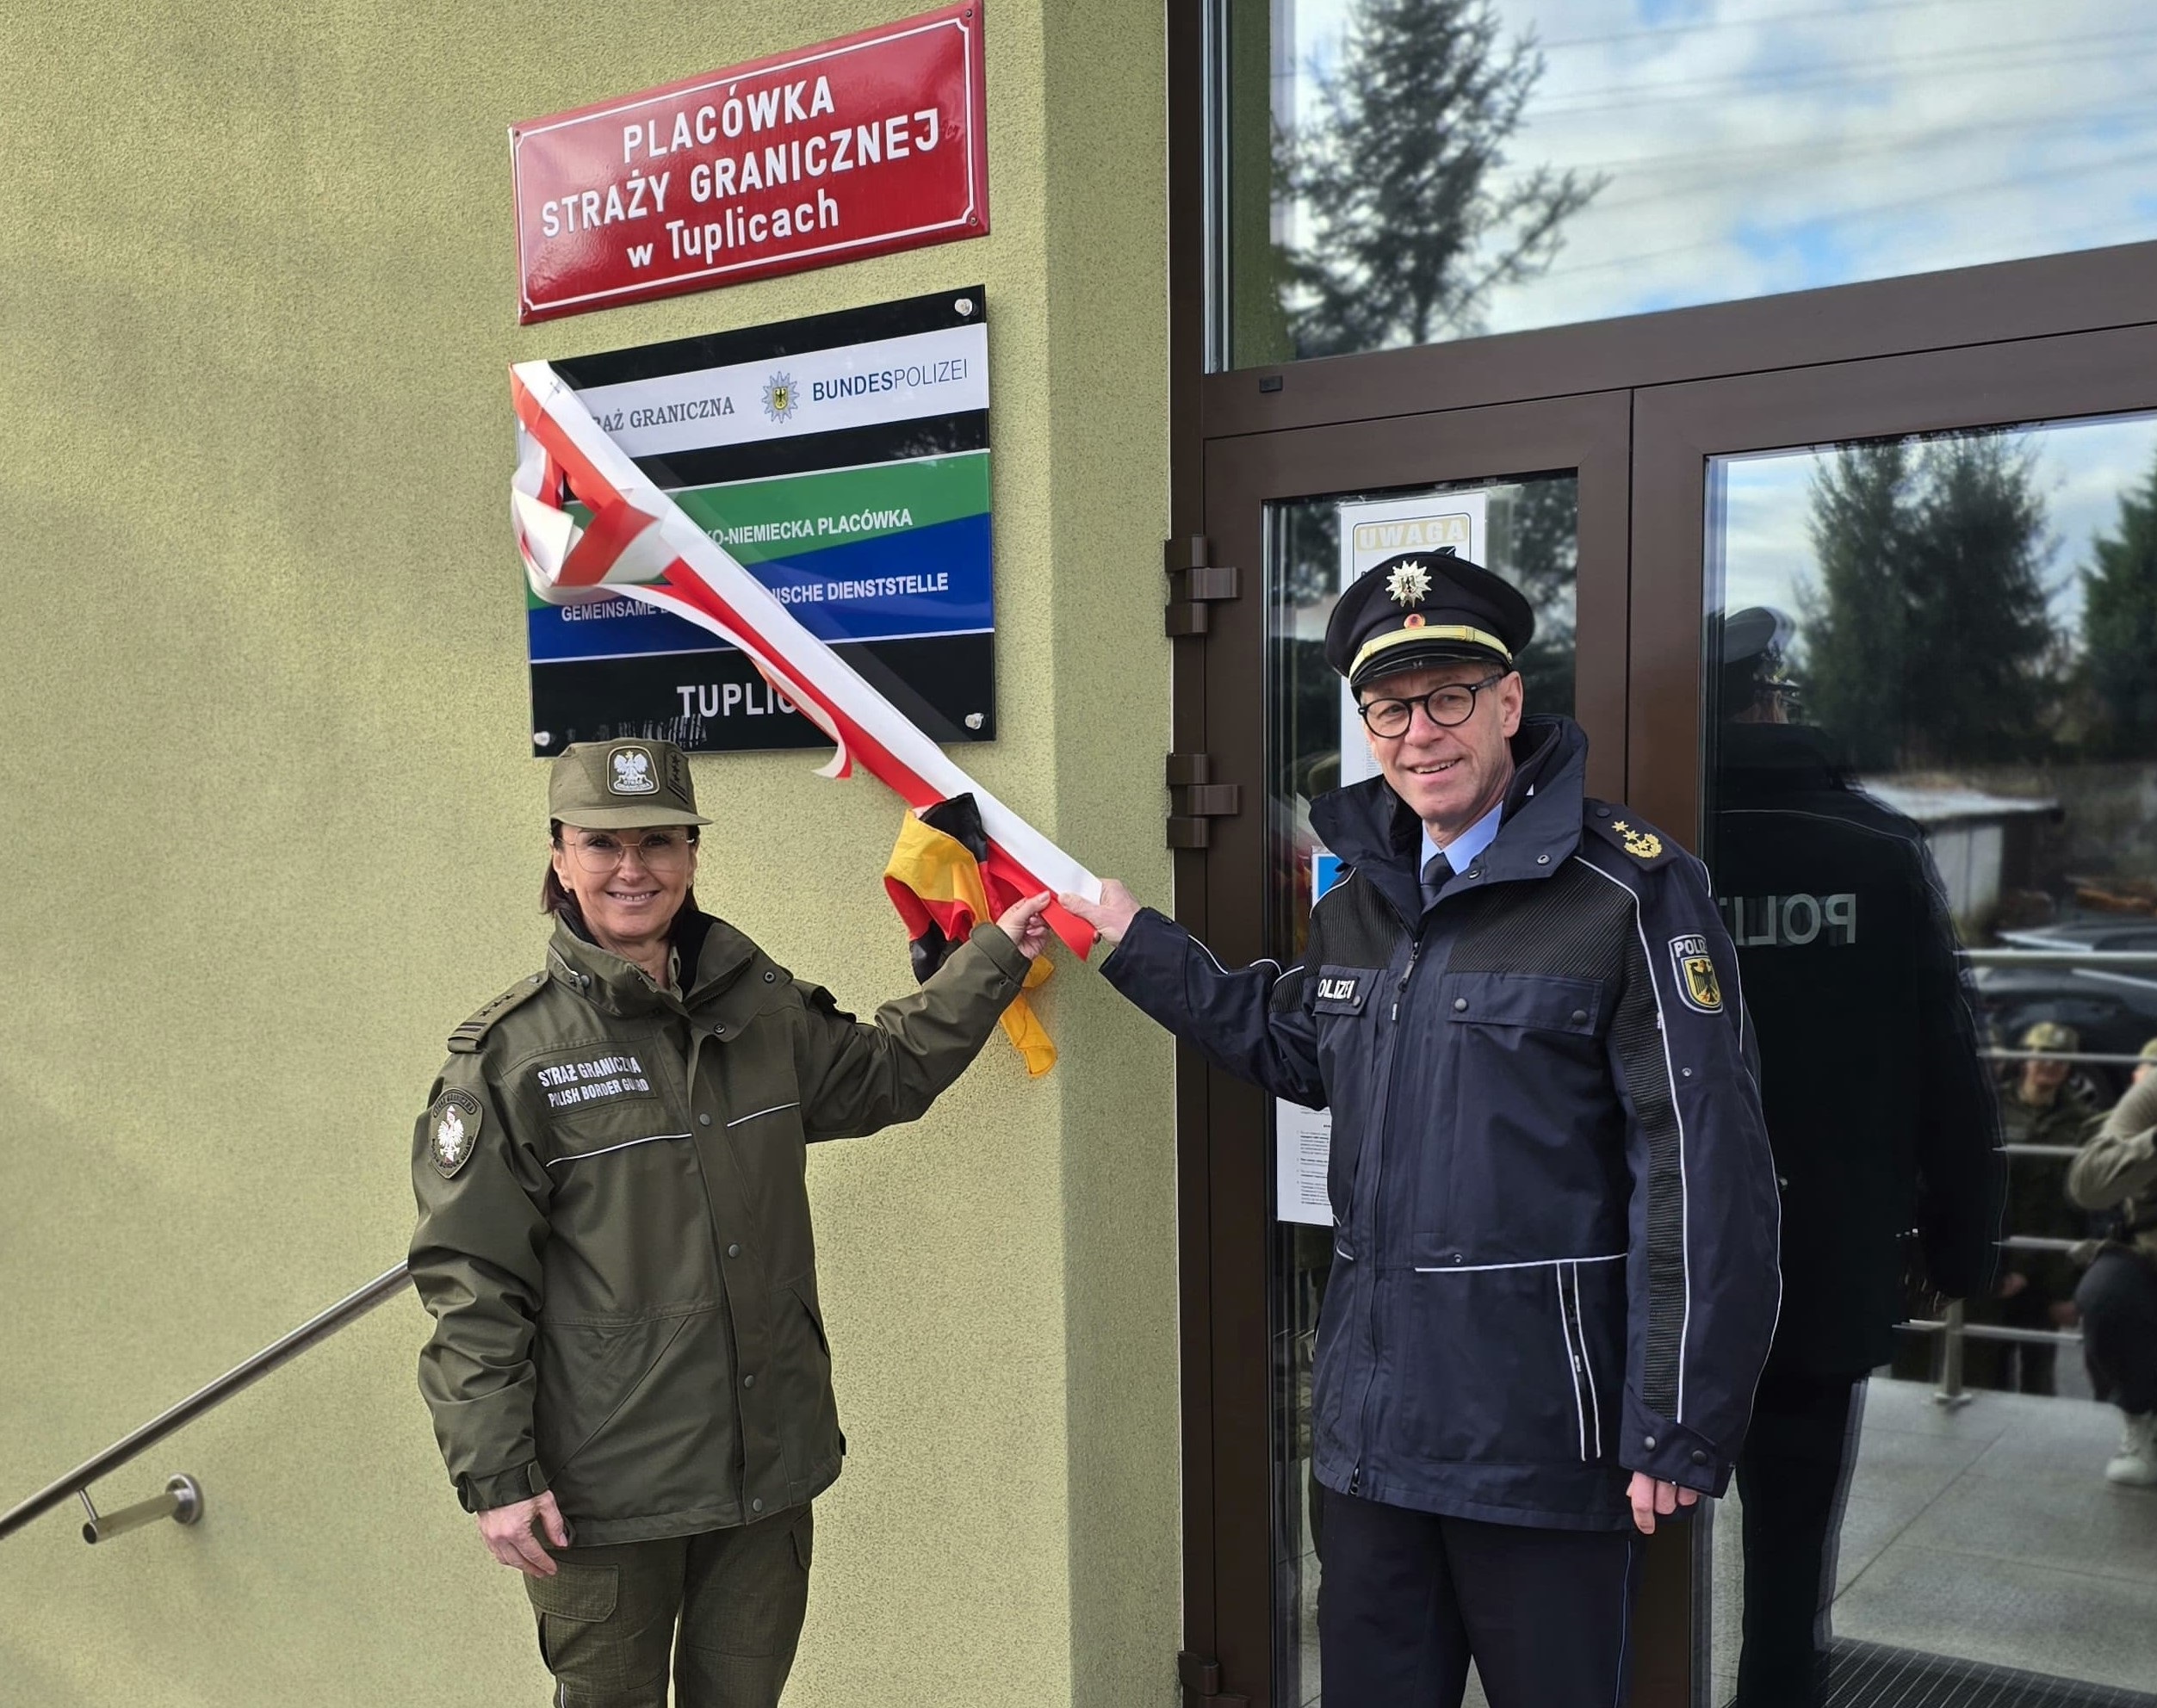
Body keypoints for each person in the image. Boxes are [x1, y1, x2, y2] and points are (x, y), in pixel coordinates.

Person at [1061, 553, 1782, 1708]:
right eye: (1388, 708)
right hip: (1371, 1444)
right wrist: (1131, 939)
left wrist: (1680, 1416)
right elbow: (1297, 1046)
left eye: (1447, 695)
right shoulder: (1362, 901)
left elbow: (1699, 1166)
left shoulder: (1627, 892)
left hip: (1538, 1447)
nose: (1418, 732)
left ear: (1508, 701)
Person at [407, 739, 1051, 1708]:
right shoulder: (511, 1059)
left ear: (692, 855)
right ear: (560, 857)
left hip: (765, 1465)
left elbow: (885, 1073)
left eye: (659, 842)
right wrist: (496, 1474)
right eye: (603, 844)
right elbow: (473, 1281)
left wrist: (996, 955)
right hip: (606, 1491)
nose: (633, 869)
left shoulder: (756, 1010)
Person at [1708, 608, 2003, 1708]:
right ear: (1766, 701)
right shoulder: (1876, 851)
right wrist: (1963, 1242)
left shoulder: (1637, 848)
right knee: (1789, 1561)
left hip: (1655, 1264)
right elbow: (1948, 1057)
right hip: (1822, 1260)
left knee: (1616, 1541)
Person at [1966, 1021, 2090, 1393]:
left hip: (2049, 1268)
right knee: (1986, 1371)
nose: (2049, 1065)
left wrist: (2069, 1289)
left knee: (2039, 1372)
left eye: (2060, 1059)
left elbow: (2077, 1213)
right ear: (2025, 1059)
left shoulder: (2082, 1122)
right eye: (2042, 1055)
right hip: (1998, 1262)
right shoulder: (1992, 1108)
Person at [2067, 1037, 2157, 1484]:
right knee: (2107, 1296)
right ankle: (2142, 1417)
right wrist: (2155, 1141)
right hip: (2152, 1256)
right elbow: (2087, 1185)